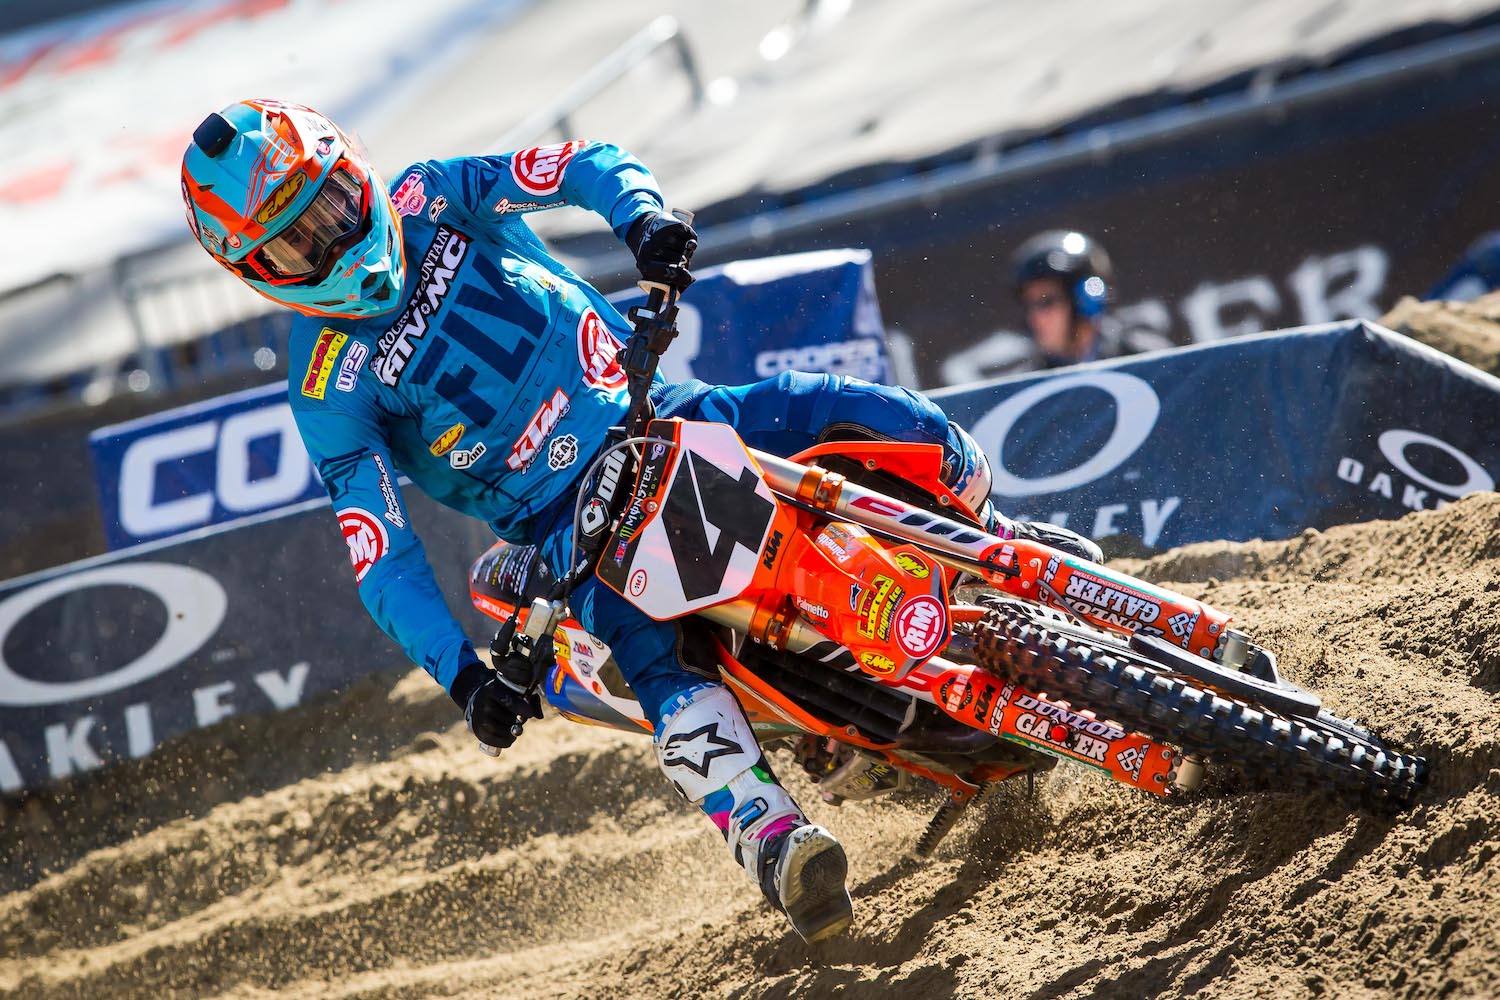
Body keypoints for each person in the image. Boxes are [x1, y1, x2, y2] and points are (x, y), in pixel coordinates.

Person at [180, 99, 1101, 944]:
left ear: (356, 168)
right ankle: (772, 838)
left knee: (882, 417)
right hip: (569, 532)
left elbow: (579, 164)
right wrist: (462, 677)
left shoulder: (433, 194)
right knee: (660, 666)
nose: (333, 234)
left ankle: (998, 547)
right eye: (297, 240)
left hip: (664, 410)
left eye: (332, 200)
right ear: (257, 271)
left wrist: (642, 219)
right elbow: (380, 552)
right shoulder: (324, 388)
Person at [1010, 229, 1170, 369]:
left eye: (1046, 302)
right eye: (1029, 306)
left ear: (1087, 298)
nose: (1035, 318)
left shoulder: (1146, 358)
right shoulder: (1032, 382)